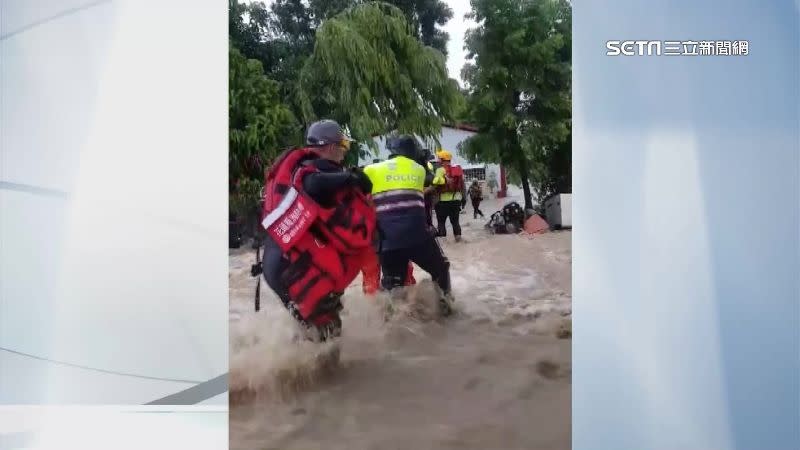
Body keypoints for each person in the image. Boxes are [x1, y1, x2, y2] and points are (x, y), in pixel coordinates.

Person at [259, 119, 376, 341]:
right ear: (331, 147)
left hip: (277, 264)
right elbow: (312, 184)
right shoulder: (318, 168)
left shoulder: (297, 167)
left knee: (312, 331)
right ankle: (318, 374)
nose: (344, 153)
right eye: (344, 146)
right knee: (329, 331)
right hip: (293, 267)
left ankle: (284, 370)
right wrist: (351, 178)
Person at [362, 135, 455, 315]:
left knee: (393, 285)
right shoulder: (419, 170)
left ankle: (388, 323)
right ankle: (447, 309)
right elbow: (435, 181)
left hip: (387, 241)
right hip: (417, 237)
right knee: (441, 267)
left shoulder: (370, 169)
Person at [432, 150, 467, 242]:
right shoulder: (458, 170)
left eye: (439, 158)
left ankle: (444, 243)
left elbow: (435, 183)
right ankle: (458, 240)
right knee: (455, 222)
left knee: (441, 222)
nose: (438, 160)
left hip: (442, 202)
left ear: (442, 160)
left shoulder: (440, 170)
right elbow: (463, 186)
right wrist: (464, 199)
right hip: (456, 201)